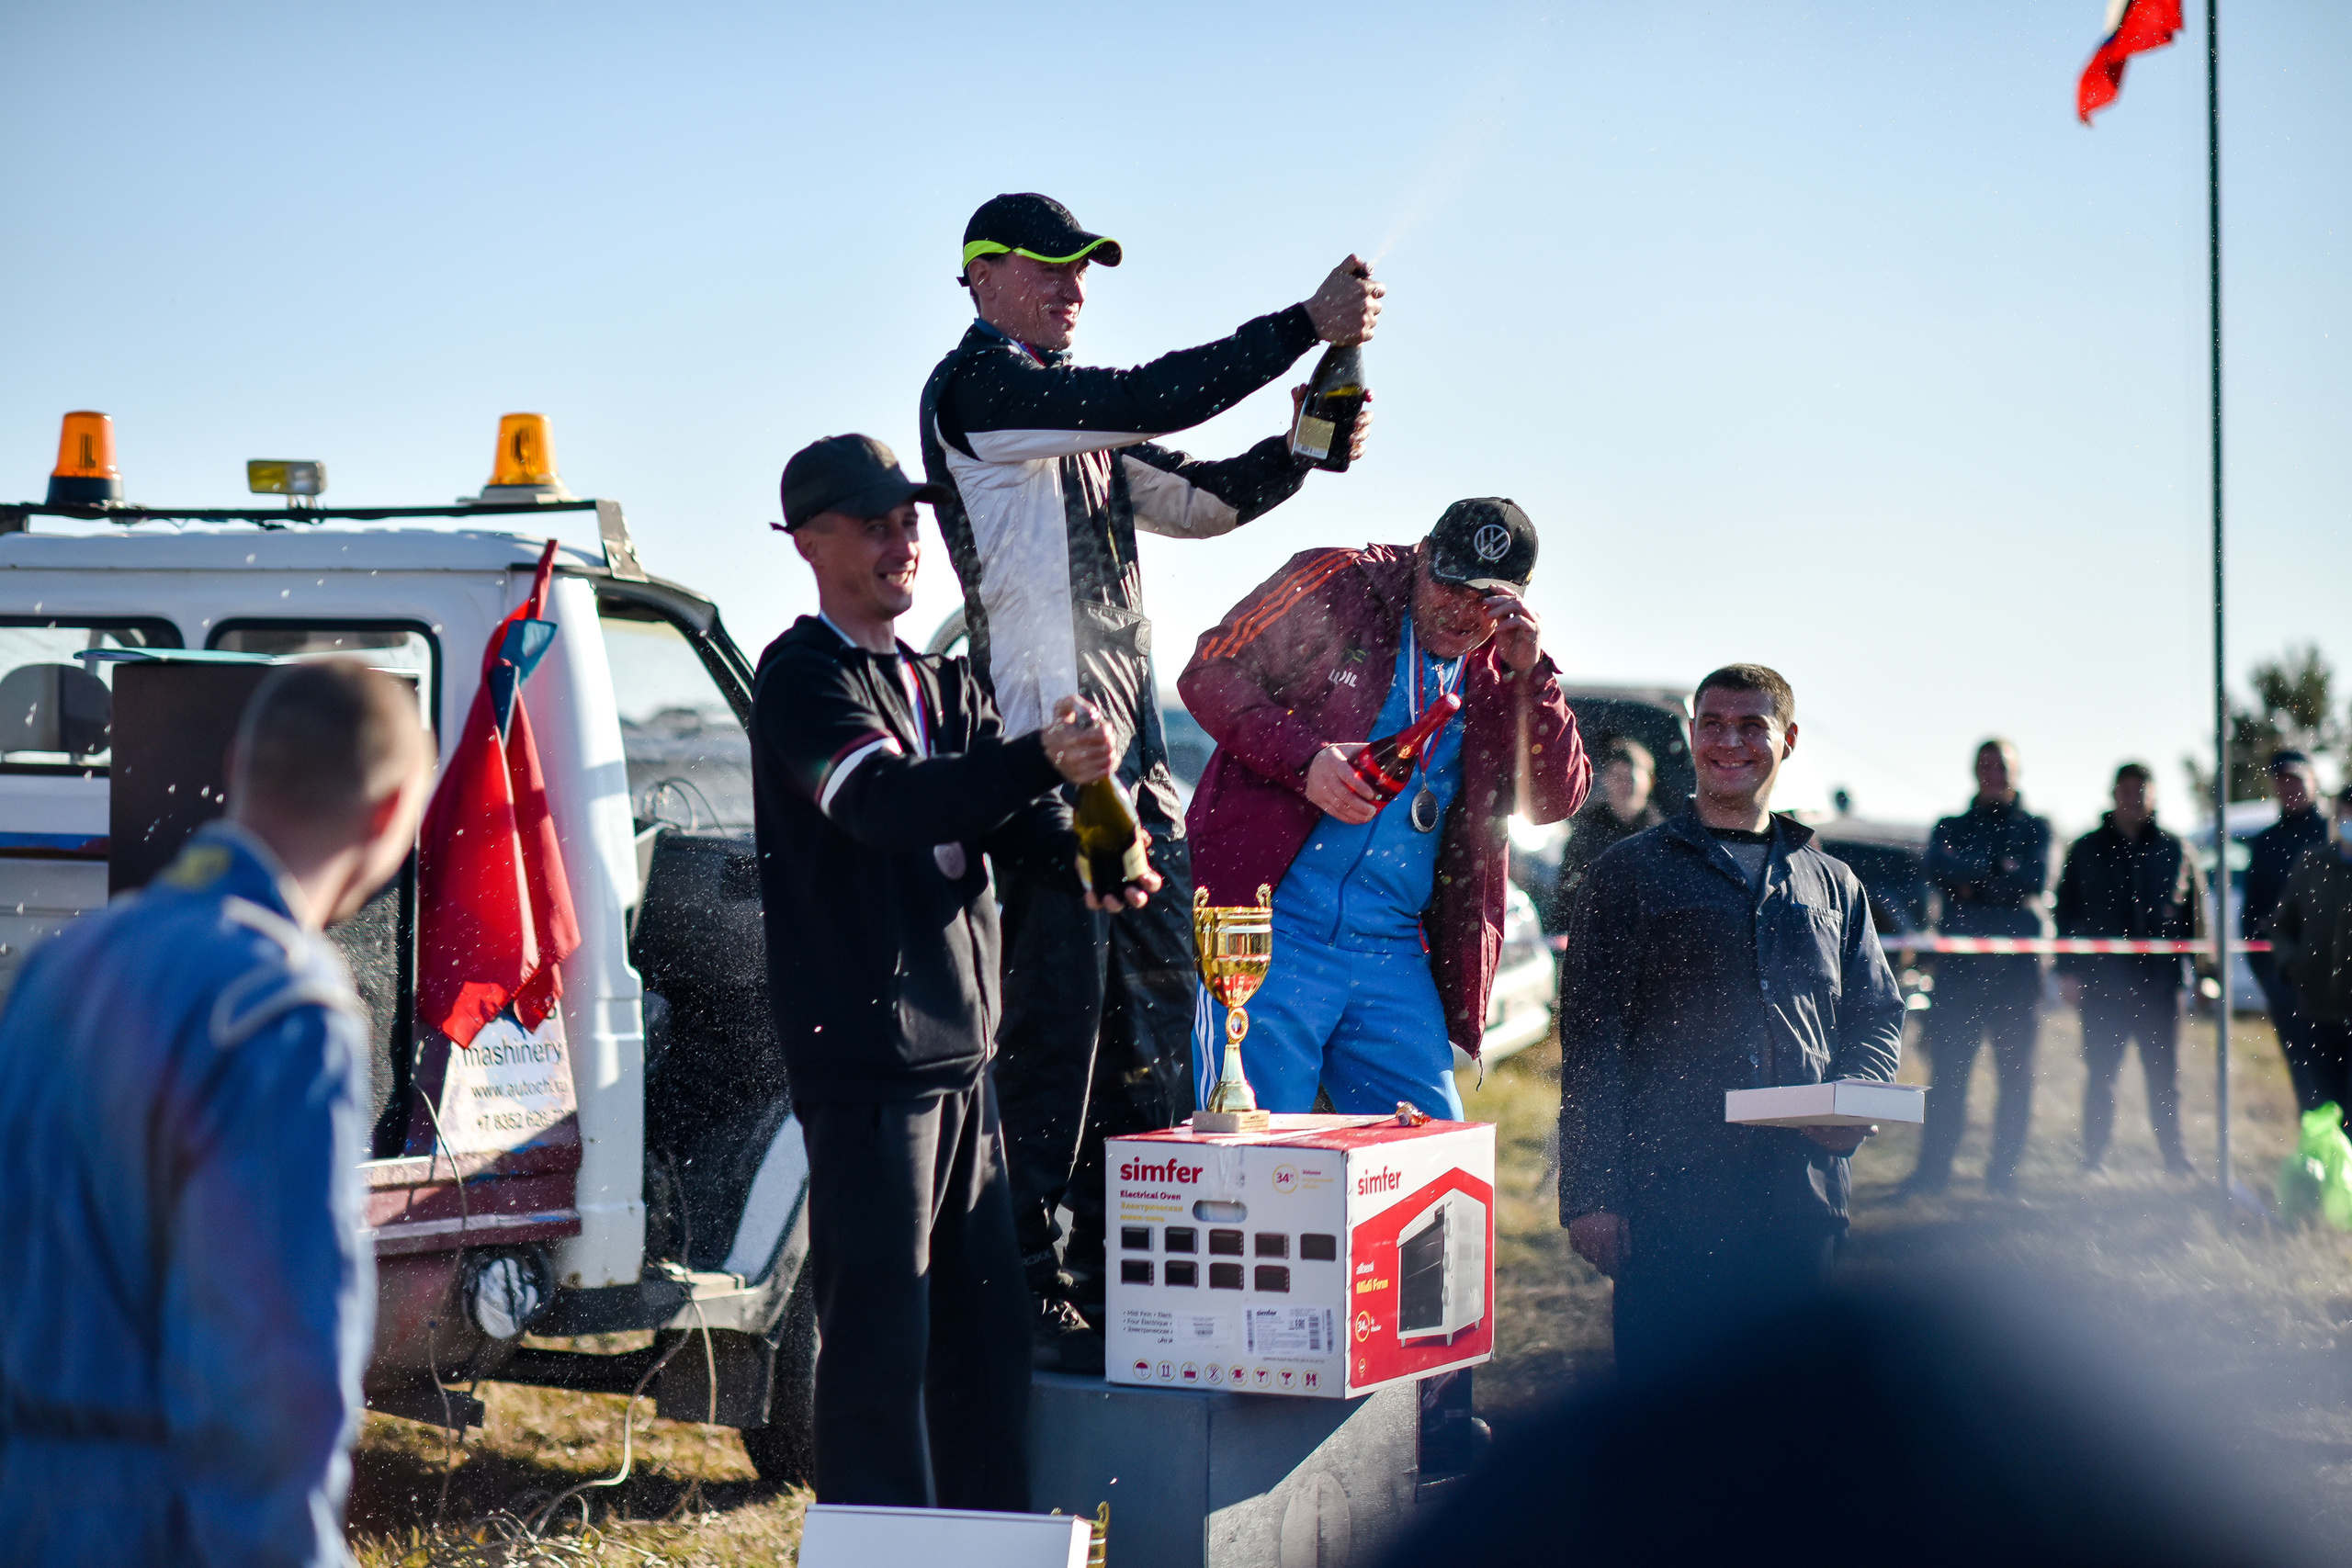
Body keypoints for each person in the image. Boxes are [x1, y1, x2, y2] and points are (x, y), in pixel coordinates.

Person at [917, 191, 1385, 1365]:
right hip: (1045, 777)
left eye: (1084, 272)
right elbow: (1141, 396)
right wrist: (1298, 323)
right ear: (979, 276)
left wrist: (1304, 442)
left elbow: (1207, 499)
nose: (1073, 287)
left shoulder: (1079, 434)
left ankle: (1138, 1281)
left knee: (1148, 1045)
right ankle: (1025, 1294)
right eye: (1048, 268)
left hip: (1137, 782)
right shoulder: (983, 390)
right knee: (1054, 1052)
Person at [752, 434, 1152, 1509]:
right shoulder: (800, 677)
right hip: (871, 1066)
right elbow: (885, 808)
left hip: (963, 1061)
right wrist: (1036, 760)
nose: (902, 542)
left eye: (909, 520)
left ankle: (988, 1541)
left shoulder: (940, 678)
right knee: (880, 1353)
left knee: (983, 1339)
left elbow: (1011, 823)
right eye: (876, 523)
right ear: (810, 540)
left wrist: (1098, 859)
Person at [0, 660, 432, 1567]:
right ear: (393, 814)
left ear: (238, 763)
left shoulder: (62, 964)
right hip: (159, 1519)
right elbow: (270, 1368)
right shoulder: (280, 1007)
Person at [1179, 499, 1589, 1119]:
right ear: (1422, 554)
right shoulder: (1340, 581)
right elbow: (1209, 668)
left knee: (1428, 1153)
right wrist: (1307, 760)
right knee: (1253, 1148)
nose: (1462, 611)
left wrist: (1533, 675)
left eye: (1487, 598)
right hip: (1272, 927)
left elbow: (1558, 796)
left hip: (1393, 948)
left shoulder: (1505, 665)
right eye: (1449, 585)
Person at [1556, 664, 1904, 1377]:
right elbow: (1593, 1042)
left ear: (1790, 738)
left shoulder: (1833, 883)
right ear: (1691, 734)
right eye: (1713, 724)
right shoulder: (1629, 873)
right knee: (1668, 1427)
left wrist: (1857, 1096)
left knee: (1786, 1419)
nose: (1730, 742)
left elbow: (1875, 1012)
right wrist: (1593, 1193)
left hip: (1799, 1197)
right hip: (1670, 1200)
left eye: (1752, 726)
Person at [1900, 739, 2052, 1199]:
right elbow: (1937, 868)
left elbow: (2034, 879)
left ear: (2017, 771)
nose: (1994, 772)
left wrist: (1973, 877)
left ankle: (2004, 1179)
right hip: (1960, 975)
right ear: (1974, 770)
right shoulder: (1952, 824)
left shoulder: (2036, 828)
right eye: (1986, 764)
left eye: (2002, 765)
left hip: (2015, 977)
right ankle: (1931, 1177)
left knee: (2015, 1078)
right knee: (1947, 1078)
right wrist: (1998, 872)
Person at [2054, 762, 2207, 1177]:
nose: (2133, 798)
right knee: (2101, 1076)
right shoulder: (2085, 849)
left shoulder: (2176, 850)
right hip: (2103, 986)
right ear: (2113, 794)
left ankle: (2175, 1160)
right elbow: (2065, 913)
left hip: (2160, 986)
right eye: (2125, 790)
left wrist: (2204, 973)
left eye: (2141, 790)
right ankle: (2094, 1159)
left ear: (2154, 796)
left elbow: (2194, 917)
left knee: (2164, 1080)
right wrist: (2066, 970)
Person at [2245, 751, 2335, 1111]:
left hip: (2337, 980)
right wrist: (2273, 977)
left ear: (2313, 781)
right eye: (2282, 781)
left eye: (2296, 779)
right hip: (2289, 980)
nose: (2289, 788)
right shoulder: (2265, 844)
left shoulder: (2334, 833)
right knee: (2305, 1076)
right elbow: (2252, 919)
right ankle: (2317, 1155)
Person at [2266, 785, 2352, 1115]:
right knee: (2322, 1108)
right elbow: (2280, 925)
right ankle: (2325, 1167)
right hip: (2317, 1009)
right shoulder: (2313, 864)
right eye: (2347, 814)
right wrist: (2291, 963)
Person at [1544, 735, 1666, 932]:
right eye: (1618, 777)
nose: (1625, 785)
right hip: (1598, 934)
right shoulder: (1588, 833)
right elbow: (1568, 894)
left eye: (1631, 778)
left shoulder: (1663, 836)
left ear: (1650, 780)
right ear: (1606, 781)